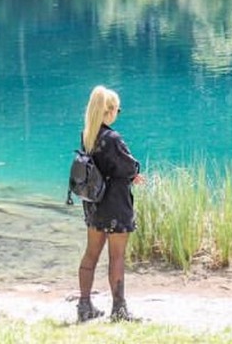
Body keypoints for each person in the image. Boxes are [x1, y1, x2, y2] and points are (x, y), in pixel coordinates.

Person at [76, 85, 145, 323]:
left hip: (94, 203)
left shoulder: (87, 136)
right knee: (116, 257)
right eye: (118, 109)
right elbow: (128, 166)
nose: (118, 113)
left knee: (91, 254)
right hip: (115, 203)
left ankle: (84, 305)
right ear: (110, 110)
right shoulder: (112, 138)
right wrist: (134, 174)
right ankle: (119, 309)